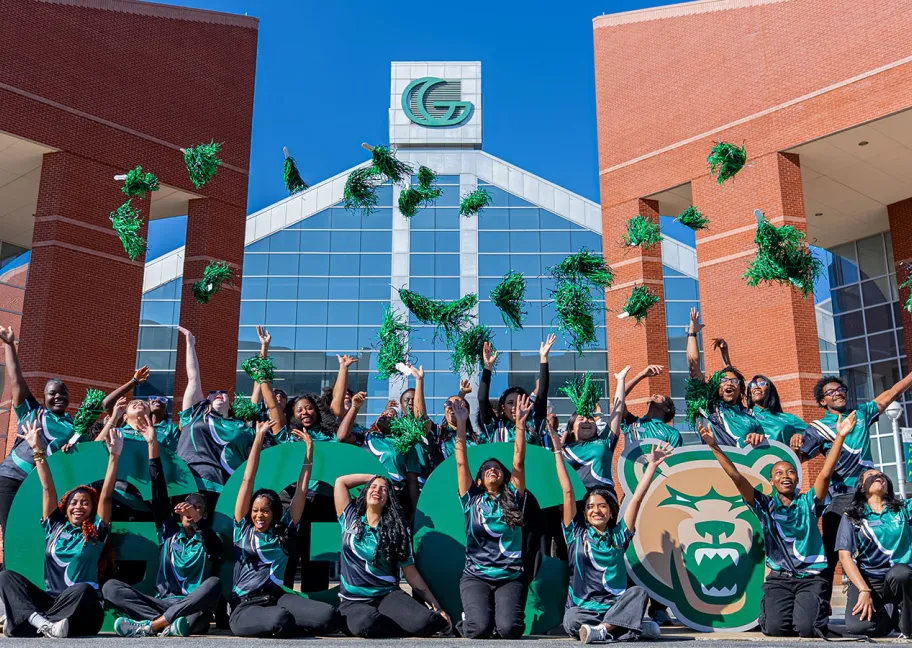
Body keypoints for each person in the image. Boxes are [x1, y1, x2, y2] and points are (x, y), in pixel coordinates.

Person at [700, 412, 855, 637]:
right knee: (774, 629)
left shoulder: (809, 502)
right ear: (771, 480)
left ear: (797, 479)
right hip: (780, 579)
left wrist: (839, 437)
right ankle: (793, 612)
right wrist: (714, 446)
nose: (786, 476)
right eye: (779, 473)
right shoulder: (764, 504)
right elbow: (736, 476)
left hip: (811, 578)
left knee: (807, 628)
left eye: (791, 472)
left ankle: (812, 611)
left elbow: (825, 473)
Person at [798, 371, 912, 604]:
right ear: (823, 401)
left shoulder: (861, 414)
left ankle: (891, 604)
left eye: (841, 390)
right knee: (830, 555)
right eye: (830, 392)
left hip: (870, 496)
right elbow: (796, 459)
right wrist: (794, 441)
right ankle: (820, 614)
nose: (838, 393)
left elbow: (891, 393)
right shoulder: (817, 428)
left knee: (884, 543)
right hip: (839, 498)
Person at [103, 413, 222, 637]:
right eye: (187, 507)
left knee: (214, 584)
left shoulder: (209, 537)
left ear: (203, 515)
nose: (190, 510)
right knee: (111, 588)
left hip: (192, 608)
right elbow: (158, 489)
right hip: (161, 604)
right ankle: (164, 624)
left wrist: (198, 521)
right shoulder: (169, 531)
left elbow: (215, 548)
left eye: (197, 508)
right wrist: (152, 443)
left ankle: (151, 626)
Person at [0, 420, 121, 638]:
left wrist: (114, 457)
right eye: (74, 502)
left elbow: (107, 495)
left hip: (83, 610)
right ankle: (44, 625)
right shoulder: (54, 526)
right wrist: (37, 449)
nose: (79, 507)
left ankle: (29, 621)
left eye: (85, 503)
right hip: (52, 604)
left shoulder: (96, 531)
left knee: (84, 589)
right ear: (65, 507)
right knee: (6, 577)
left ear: (92, 508)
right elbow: (47, 487)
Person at [549, 423, 667, 643]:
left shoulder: (619, 535)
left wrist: (651, 466)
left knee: (639, 593)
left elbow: (636, 500)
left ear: (611, 512)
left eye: (602, 506)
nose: (596, 510)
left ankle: (605, 630)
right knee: (572, 619)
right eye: (591, 506)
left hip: (615, 605)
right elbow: (567, 491)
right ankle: (629, 627)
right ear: (584, 513)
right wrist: (557, 450)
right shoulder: (575, 534)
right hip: (584, 611)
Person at [228, 419, 340, 638]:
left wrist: (309, 453)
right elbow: (247, 480)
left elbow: (301, 490)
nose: (259, 515)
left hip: (278, 597)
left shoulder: (285, 529)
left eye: (265, 510)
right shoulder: (242, 528)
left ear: (274, 513)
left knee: (328, 616)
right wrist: (259, 438)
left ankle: (289, 622)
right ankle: (284, 623)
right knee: (281, 619)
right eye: (256, 510)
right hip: (246, 605)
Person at [334, 473, 450, 637]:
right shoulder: (349, 519)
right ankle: (388, 623)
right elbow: (341, 482)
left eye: (384, 489)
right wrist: (374, 477)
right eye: (373, 487)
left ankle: (390, 622)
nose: (377, 491)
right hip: (354, 601)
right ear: (365, 492)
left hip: (387, 596)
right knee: (365, 622)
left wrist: (436, 606)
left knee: (427, 621)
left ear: (388, 498)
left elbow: (411, 573)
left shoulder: (397, 530)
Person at [456, 392, 529, 639]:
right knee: (479, 630)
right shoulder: (472, 500)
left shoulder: (515, 498)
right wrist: (462, 424)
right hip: (475, 576)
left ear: (504, 477)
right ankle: (472, 619)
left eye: (497, 468)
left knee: (510, 630)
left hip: (510, 577)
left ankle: (503, 615)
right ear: (479, 479)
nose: (492, 471)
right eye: (487, 469)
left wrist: (520, 424)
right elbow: (461, 463)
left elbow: (518, 462)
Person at [0, 326, 79, 541]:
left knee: (36, 537)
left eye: (63, 393)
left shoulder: (73, 427)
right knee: (12, 537)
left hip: (42, 486)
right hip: (12, 479)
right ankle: (9, 574)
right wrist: (9, 345)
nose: (58, 397)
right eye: (52, 393)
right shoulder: (32, 411)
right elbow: (16, 380)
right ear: (44, 398)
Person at [175, 326, 255, 512]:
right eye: (213, 393)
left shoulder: (242, 427)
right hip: (191, 481)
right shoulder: (195, 414)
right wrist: (190, 344)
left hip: (229, 487)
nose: (218, 394)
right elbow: (193, 377)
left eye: (223, 393)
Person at [837, 469, 912, 637]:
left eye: (882, 475)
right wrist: (863, 590)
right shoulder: (852, 516)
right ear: (862, 488)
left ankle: (905, 620)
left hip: (899, 577)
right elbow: (844, 556)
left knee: (901, 574)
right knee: (859, 627)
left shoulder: (904, 509)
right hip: (869, 580)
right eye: (871, 475)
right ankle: (892, 618)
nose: (879, 476)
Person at [686, 309, 764, 447]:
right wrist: (692, 333)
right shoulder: (709, 408)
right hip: (715, 465)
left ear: (740, 389)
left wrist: (758, 437)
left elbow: (761, 443)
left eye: (734, 382)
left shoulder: (751, 416)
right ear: (717, 387)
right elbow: (694, 367)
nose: (730, 384)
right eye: (724, 381)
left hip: (743, 467)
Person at [709, 338, 806, 447]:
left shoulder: (788, 418)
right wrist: (724, 353)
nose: (756, 388)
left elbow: (814, 437)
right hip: (753, 460)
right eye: (752, 385)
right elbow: (731, 380)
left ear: (770, 388)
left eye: (761, 384)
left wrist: (798, 437)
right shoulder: (746, 415)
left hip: (780, 461)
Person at [561, 366, 629, 499]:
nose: (586, 421)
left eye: (590, 419)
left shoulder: (604, 440)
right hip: (576, 501)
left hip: (604, 498)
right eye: (581, 419)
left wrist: (620, 381)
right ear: (572, 427)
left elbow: (617, 411)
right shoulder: (564, 447)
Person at [478, 335, 556, 443]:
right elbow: (482, 399)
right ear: (503, 407)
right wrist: (487, 367)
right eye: (510, 403)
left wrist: (544, 358)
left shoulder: (534, 423)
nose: (515, 407)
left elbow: (542, 394)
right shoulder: (495, 426)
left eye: (520, 402)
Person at [622, 365, 682, 448]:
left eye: (658, 396)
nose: (654, 395)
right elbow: (618, 398)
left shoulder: (672, 433)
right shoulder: (631, 422)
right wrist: (642, 375)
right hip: (631, 461)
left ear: (666, 408)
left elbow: (675, 460)